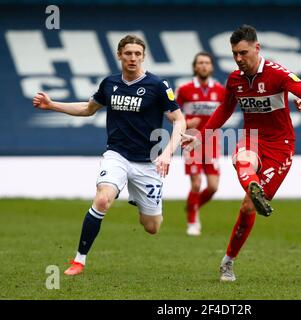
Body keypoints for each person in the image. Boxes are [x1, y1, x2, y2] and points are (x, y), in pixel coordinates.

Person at [32, 35, 186, 276]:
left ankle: (138, 197)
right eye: (128, 53)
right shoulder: (109, 84)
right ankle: (79, 260)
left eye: (137, 54)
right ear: (119, 55)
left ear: (143, 57)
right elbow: (87, 108)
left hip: (148, 164)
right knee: (103, 199)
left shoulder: (157, 86)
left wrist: (168, 152)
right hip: (117, 155)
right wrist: (53, 105)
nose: (133, 58)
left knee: (152, 227)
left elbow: (179, 120)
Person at [182, 25, 301, 282]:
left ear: (257, 48)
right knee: (243, 160)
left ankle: (228, 260)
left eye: (243, 52)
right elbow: (224, 110)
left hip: (281, 145)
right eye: (234, 53)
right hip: (252, 138)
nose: (238, 59)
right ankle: (254, 186)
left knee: (247, 207)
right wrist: (201, 134)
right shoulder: (234, 79)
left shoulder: (278, 75)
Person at [176, 52, 225, 236]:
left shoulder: (220, 90)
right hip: (191, 140)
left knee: (212, 187)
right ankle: (192, 221)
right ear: (195, 67)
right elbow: (171, 113)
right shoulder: (185, 89)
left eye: (207, 63)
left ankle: (192, 206)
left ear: (211, 67)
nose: (204, 66)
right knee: (196, 184)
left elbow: (225, 112)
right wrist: (187, 124)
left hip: (212, 142)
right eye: (200, 63)